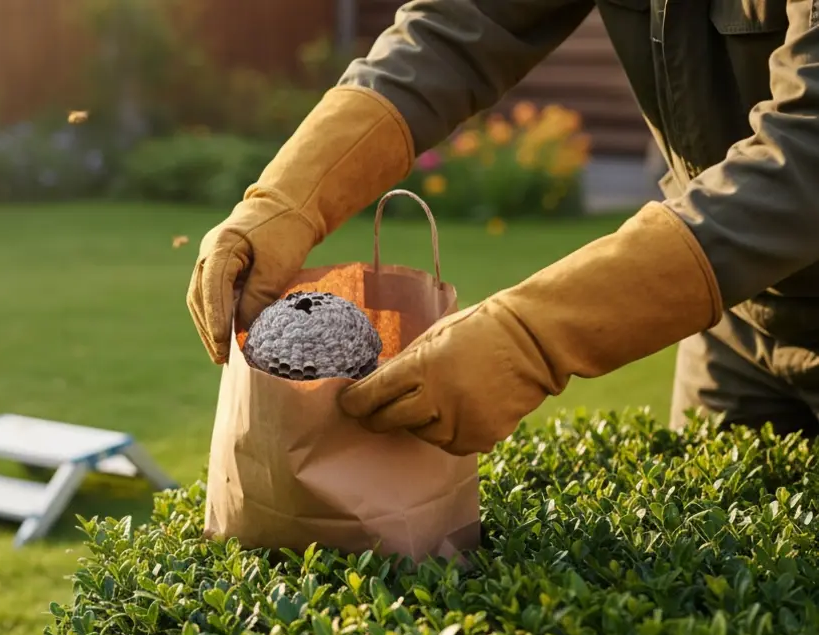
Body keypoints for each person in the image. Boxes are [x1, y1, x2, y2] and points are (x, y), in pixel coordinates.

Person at [185, 0, 819, 456]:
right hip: (730, 326)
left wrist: (530, 337)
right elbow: (458, 27)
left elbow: (807, 161)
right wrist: (286, 199)